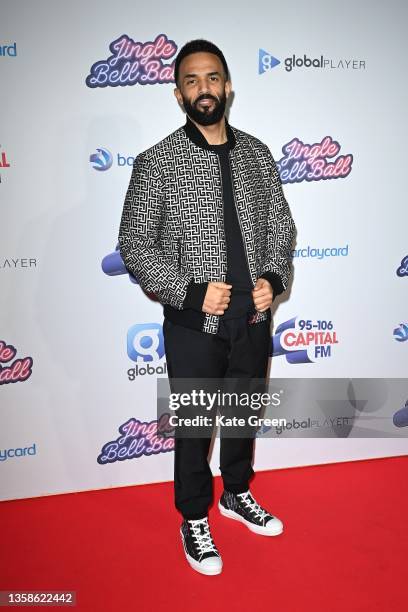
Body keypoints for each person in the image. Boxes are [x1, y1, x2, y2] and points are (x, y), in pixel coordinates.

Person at [118, 39, 296, 576]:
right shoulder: (157, 162)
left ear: (228, 86)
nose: (204, 89)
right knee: (196, 425)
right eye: (192, 81)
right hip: (195, 323)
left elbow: (282, 228)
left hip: (252, 318)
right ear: (178, 95)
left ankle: (236, 493)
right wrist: (193, 292)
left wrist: (273, 279)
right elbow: (134, 243)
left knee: (242, 416)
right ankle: (194, 516)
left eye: (212, 78)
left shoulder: (259, 155)